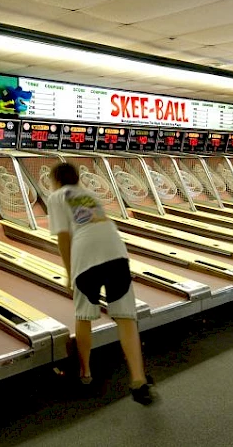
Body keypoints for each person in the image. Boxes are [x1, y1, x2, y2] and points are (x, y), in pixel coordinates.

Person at [47, 162, 154, 405]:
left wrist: (68, 273)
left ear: (56, 180)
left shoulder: (56, 197)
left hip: (87, 257)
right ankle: (139, 379)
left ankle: (85, 373)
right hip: (116, 252)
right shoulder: (91, 193)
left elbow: (64, 237)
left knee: (83, 316)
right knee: (126, 318)